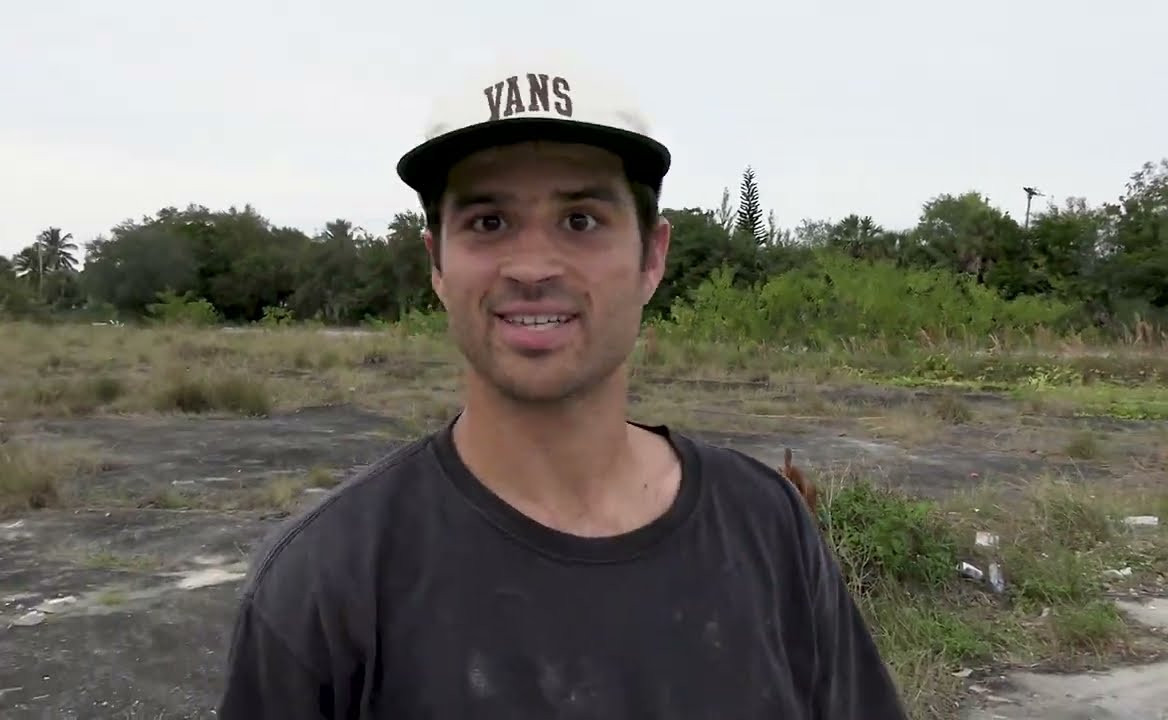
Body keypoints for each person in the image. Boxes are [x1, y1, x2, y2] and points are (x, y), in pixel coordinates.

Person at [217, 56, 908, 720]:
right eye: (488, 222)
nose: (532, 267)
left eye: (581, 220)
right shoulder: (324, 581)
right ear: (437, 264)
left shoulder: (768, 527)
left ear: (652, 256)